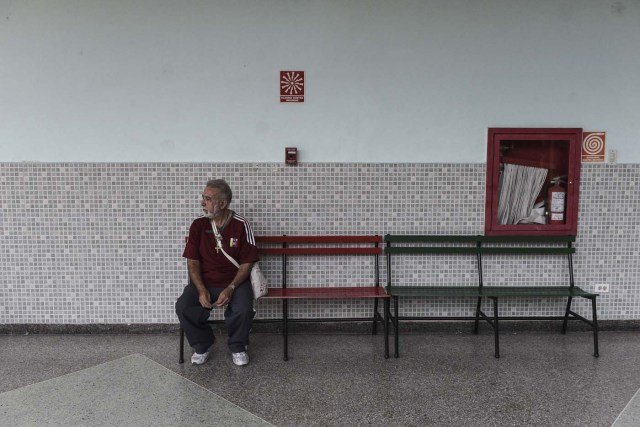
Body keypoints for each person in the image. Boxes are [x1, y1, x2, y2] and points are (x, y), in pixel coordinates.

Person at [175, 179, 258, 366]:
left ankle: (238, 346)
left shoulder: (241, 225)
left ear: (223, 203)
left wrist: (231, 287)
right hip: (204, 282)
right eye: (203, 198)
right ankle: (203, 345)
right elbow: (193, 262)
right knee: (183, 306)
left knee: (243, 309)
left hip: (235, 282)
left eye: (208, 199)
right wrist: (200, 288)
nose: (202, 203)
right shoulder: (198, 225)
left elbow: (247, 263)